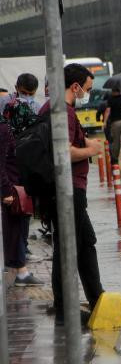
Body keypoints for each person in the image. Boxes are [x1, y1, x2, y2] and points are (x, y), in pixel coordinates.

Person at [39, 63, 106, 325]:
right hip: (66, 189)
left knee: (85, 241)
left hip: (68, 188)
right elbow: (65, 151)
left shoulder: (61, 110)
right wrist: (93, 151)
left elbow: (77, 140)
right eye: (86, 89)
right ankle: (64, 305)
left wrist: (90, 144)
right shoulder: (61, 112)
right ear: (75, 86)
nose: (87, 94)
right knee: (68, 248)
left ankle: (97, 296)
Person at [0, 100, 44, 287]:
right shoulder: (4, 130)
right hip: (12, 188)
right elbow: (1, 163)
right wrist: (5, 190)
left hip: (15, 186)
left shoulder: (11, 131)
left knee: (17, 228)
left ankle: (16, 266)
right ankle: (21, 272)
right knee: (16, 227)